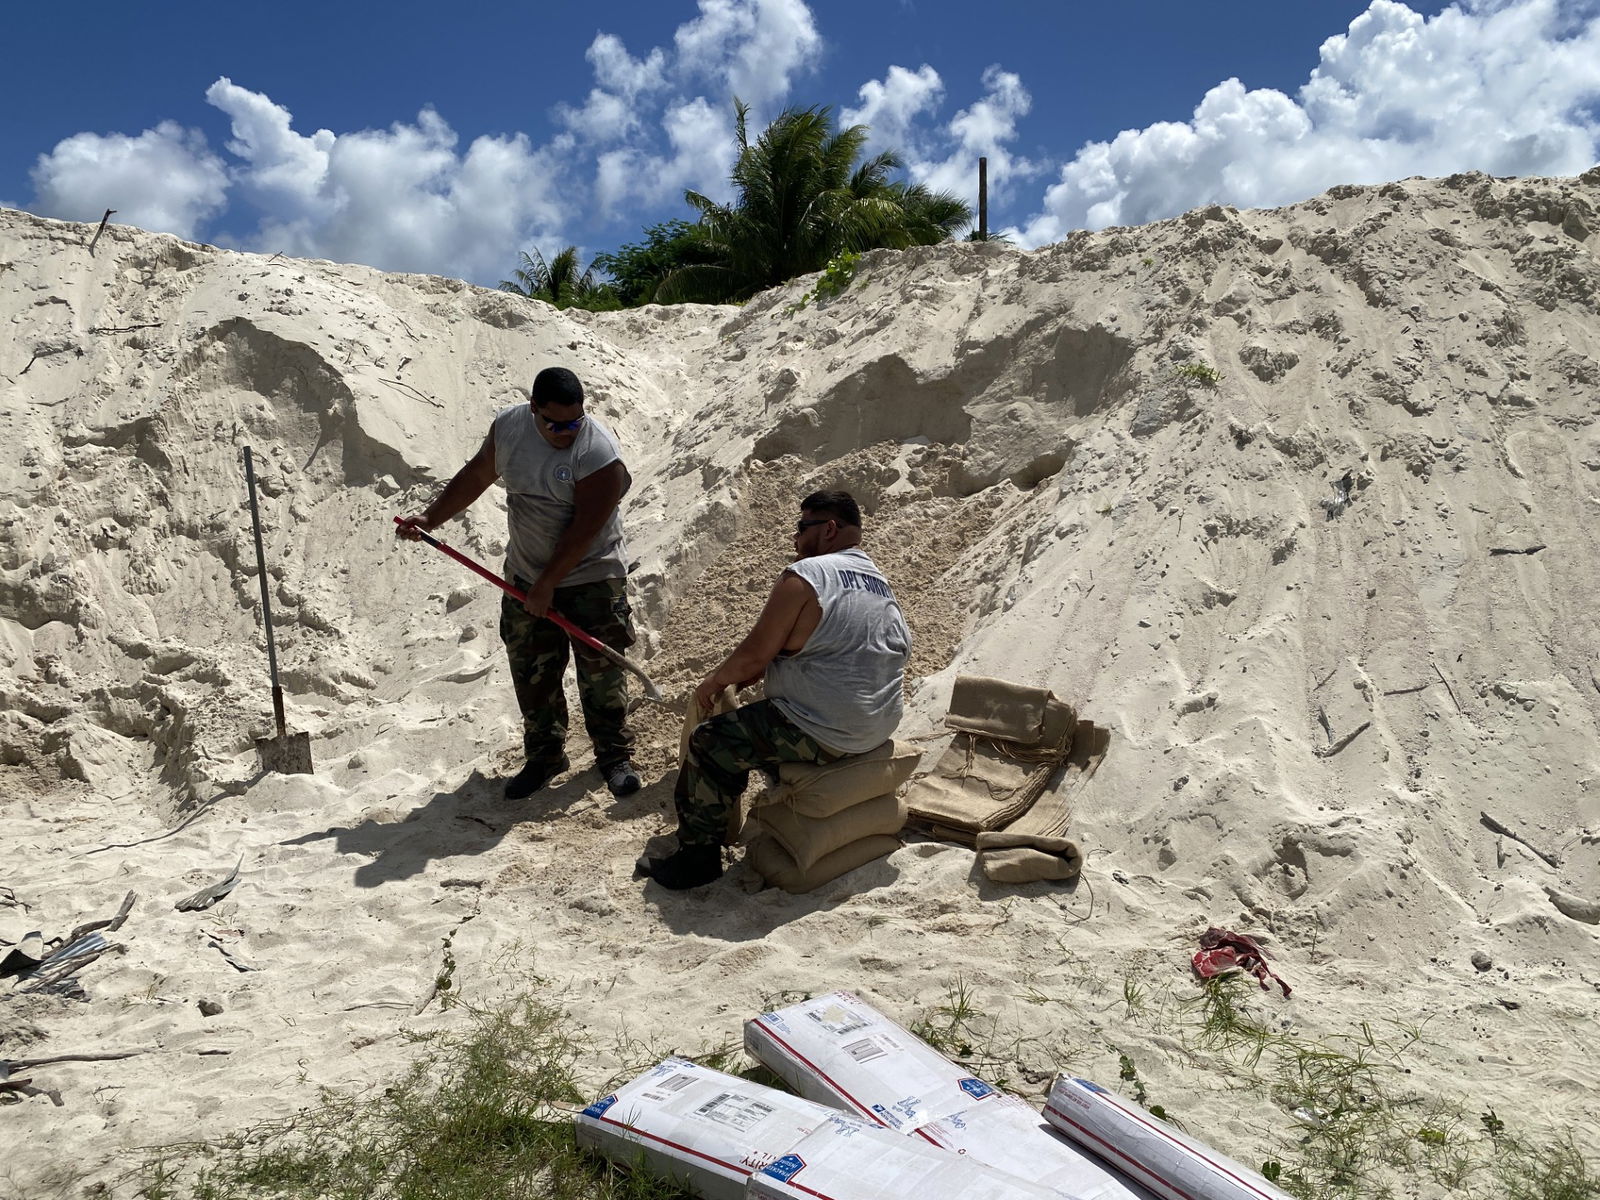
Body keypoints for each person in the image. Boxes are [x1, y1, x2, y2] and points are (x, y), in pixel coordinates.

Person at [642, 490, 911, 890]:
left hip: (824, 729)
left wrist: (714, 682)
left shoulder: (806, 576)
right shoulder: (880, 585)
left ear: (829, 529)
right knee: (765, 720)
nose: (796, 539)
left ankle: (697, 859)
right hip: (876, 726)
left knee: (711, 742)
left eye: (803, 528)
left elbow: (752, 656)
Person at [397, 366, 641, 800]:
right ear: (533, 410)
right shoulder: (510, 427)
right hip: (527, 575)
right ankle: (545, 756)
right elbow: (476, 474)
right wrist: (430, 517)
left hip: (592, 577)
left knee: (600, 673)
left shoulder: (599, 453)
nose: (567, 431)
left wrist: (548, 583)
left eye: (575, 421)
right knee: (533, 673)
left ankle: (613, 755)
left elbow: (586, 528)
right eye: (556, 424)